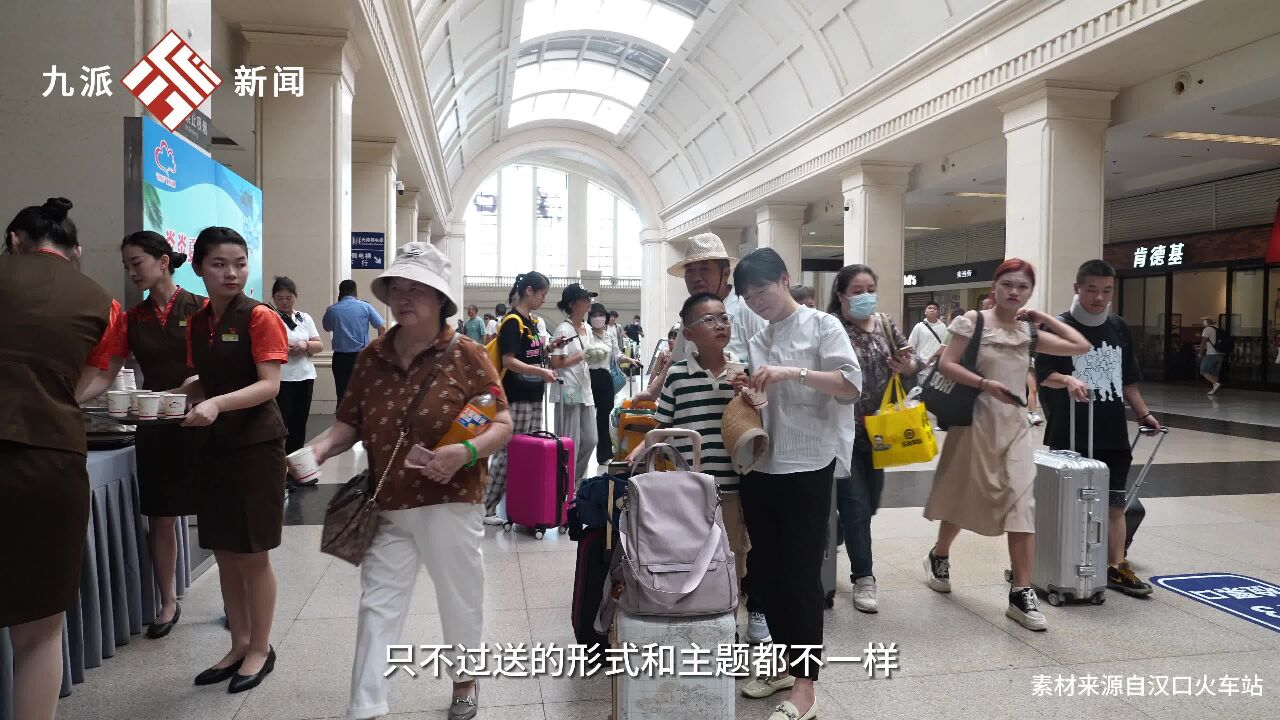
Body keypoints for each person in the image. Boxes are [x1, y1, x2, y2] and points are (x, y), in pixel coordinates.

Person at [306, 242, 513, 720]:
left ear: (440, 298)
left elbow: (501, 423)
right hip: (388, 501)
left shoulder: (468, 355)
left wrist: (463, 451)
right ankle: (366, 705)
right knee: (377, 603)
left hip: (451, 500)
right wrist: (318, 449)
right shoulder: (371, 356)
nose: (404, 296)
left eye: (417, 288)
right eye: (397, 287)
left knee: (459, 598)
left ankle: (465, 681)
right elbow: (351, 422)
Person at [1, 198, 126, 720]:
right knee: (38, 631)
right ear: (72, 251)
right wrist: (51, 400)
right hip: (49, 461)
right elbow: (99, 378)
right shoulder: (104, 303)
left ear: (14, 239)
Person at [922, 259, 1090, 633]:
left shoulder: (1028, 332)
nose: (1015, 292)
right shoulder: (972, 322)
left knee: (1021, 502)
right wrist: (985, 385)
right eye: (1008, 285)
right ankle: (940, 554)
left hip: (1014, 427)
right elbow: (948, 364)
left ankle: (1021, 590)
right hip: (976, 422)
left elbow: (1081, 345)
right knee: (963, 494)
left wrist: (1044, 316)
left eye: (1023, 287)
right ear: (995, 286)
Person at [730, 248, 861, 720]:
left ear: (785, 280)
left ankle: (806, 687)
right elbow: (767, 396)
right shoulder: (759, 335)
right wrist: (750, 391)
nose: (757, 302)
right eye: (748, 296)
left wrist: (793, 372)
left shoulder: (822, 326)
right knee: (767, 573)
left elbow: (850, 384)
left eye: (762, 290)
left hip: (807, 464)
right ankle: (786, 665)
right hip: (763, 463)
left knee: (802, 575)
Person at [177, 227, 290, 692]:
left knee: (253, 552)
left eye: (240, 263)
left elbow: (269, 385)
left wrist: (218, 403)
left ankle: (261, 648)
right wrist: (177, 394)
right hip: (216, 446)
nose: (231, 273)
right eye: (220, 264)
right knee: (224, 551)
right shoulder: (198, 320)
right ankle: (238, 643)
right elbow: (205, 377)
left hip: (256, 448)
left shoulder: (258, 316)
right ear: (199, 266)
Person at [1036, 259, 1162, 598]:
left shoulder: (1118, 327)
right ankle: (1058, 559)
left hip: (1111, 428)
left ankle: (1114, 565)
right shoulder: (1059, 328)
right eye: (1092, 290)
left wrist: (1143, 413)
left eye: (1106, 291)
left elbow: (1128, 380)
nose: (1099, 298)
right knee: (1070, 499)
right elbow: (1042, 374)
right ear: (1077, 288)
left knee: (1115, 502)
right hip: (1071, 430)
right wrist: (1067, 379)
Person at [116, 231, 207, 638]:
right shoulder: (132, 319)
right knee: (162, 517)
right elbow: (108, 368)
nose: (132, 271)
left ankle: (235, 600)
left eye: (137, 262)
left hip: (205, 419)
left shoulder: (202, 309)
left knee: (218, 511)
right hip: (155, 426)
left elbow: (224, 366)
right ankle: (167, 601)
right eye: (127, 265)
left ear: (163, 261)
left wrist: (195, 386)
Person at [829, 265, 923, 614]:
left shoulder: (884, 323)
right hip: (844, 430)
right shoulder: (832, 326)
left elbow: (916, 359)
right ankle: (863, 578)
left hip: (881, 430)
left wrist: (906, 365)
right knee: (855, 505)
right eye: (857, 290)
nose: (866, 295)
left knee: (870, 505)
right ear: (841, 295)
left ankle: (832, 538)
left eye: (871, 287)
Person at [636, 233, 767, 402]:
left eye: (704, 269)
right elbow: (676, 359)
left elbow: (765, 361)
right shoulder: (692, 311)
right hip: (691, 413)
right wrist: (652, 392)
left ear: (725, 273)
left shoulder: (746, 307)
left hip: (735, 416)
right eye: (690, 271)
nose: (696, 278)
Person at [482, 273, 558, 524]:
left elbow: (529, 353)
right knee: (508, 451)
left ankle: (516, 502)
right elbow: (509, 361)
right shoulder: (513, 321)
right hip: (517, 396)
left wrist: (549, 348)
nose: (544, 299)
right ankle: (486, 506)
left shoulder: (530, 321)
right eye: (542, 293)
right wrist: (541, 371)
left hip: (532, 395)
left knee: (526, 451)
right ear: (528, 291)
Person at [271, 276, 322, 489]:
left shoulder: (304, 318)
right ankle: (279, 474)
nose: (285, 301)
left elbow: (318, 345)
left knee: (299, 425)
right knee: (282, 426)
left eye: (289, 297)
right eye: (280, 298)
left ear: (295, 297)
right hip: (281, 379)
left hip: (305, 376)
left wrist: (304, 345)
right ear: (273, 298)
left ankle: (298, 471)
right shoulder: (270, 317)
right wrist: (285, 351)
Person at [549, 283, 599, 479]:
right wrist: (582, 356)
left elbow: (588, 355)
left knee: (591, 439)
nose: (589, 301)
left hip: (585, 387)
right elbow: (555, 363)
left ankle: (574, 480)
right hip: (569, 388)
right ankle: (567, 486)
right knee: (571, 440)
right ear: (571, 304)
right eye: (584, 298)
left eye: (589, 298)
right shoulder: (563, 329)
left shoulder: (586, 327)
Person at [322, 279, 386, 402]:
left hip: (340, 358)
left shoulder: (333, 310)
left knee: (342, 393)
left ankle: (342, 419)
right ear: (355, 292)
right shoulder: (365, 306)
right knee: (362, 393)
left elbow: (326, 327)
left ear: (340, 293)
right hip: (361, 356)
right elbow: (381, 327)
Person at [586, 303, 631, 464]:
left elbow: (617, 354)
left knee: (604, 416)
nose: (598, 318)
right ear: (590, 318)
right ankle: (584, 452)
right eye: (594, 315)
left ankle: (604, 454)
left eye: (601, 315)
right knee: (588, 417)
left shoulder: (610, 335)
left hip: (606, 377)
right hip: (589, 376)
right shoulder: (586, 334)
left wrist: (629, 359)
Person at [908, 301, 948, 382]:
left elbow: (945, 346)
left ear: (938, 312)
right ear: (925, 311)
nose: (932, 310)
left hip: (938, 366)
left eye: (934, 309)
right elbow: (911, 345)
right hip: (923, 366)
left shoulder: (943, 327)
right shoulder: (919, 327)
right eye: (929, 308)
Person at [1199, 316, 1223, 395]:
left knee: (1203, 370)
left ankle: (1215, 383)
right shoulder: (1219, 328)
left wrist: (1200, 352)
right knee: (1215, 373)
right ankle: (1214, 389)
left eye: (1204, 320)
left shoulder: (1207, 329)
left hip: (1211, 354)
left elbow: (1204, 341)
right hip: (1220, 354)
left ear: (1208, 321)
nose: (1203, 322)